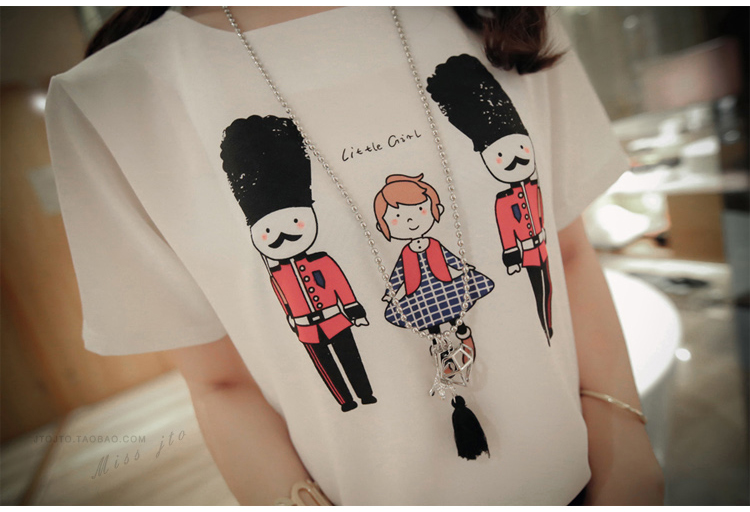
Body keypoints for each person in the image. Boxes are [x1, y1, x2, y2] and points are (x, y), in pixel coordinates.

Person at [45, 6, 664, 505]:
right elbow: (220, 382)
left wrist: (627, 449)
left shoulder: (503, 17)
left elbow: (568, 253)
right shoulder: (114, 98)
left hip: (587, 483)